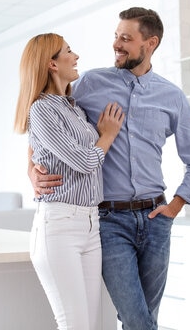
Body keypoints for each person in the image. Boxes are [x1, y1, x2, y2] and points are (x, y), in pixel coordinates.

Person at [29, 7, 190, 330]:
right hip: (109, 222)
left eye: (126, 39)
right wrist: (32, 169)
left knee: (145, 319)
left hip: (156, 220)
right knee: (136, 319)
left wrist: (176, 206)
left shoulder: (172, 97)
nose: (117, 44)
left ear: (150, 43)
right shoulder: (88, 84)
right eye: (116, 36)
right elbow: (47, 124)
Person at [14, 33, 125, 330]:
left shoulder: (73, 108)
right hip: (59, 227)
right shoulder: (41, 108)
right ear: (52, 63)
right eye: (69, 51)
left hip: (90, 225)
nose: (76, 57)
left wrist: (30, 166)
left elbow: (39, 147)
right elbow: (86, 162)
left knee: (90, 324)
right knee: (74, 325)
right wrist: (109, 135)